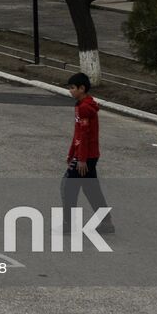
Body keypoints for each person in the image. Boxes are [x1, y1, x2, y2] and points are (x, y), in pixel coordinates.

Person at [62, 72, 114, 234]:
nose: (70, 91)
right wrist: (72, 153)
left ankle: (69, 225)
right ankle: (106, 223)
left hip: (86, 156)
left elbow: (84, 135)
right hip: (86, 155)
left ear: (82, 88)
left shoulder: (85, 108)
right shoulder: (81, 105)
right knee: (91, 189)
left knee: (67, 187)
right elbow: (77, 133)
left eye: (72, 88)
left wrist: (81, 159)